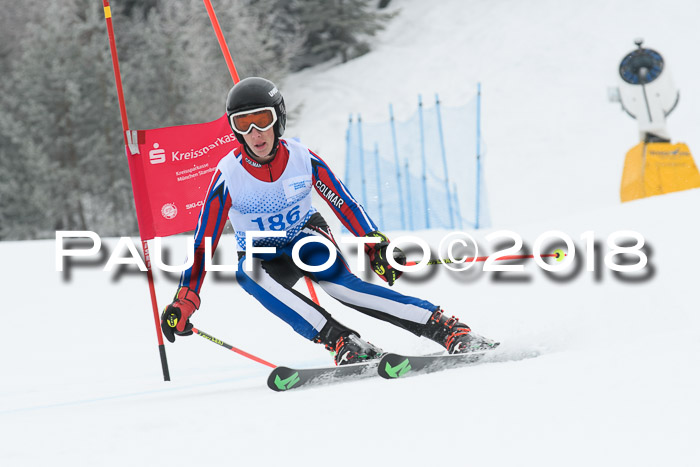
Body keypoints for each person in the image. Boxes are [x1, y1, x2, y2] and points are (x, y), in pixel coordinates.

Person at [160, 77, 497, 365]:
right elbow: (203, 240)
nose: (255, 133)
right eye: (243, 124)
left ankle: (446, 328)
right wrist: (186, 297)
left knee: (341, 288)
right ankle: (342, 341)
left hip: (306, 236)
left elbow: (344, 203)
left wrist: (373, 243)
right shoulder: (228, 175)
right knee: (247, 274)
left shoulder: (302, 159)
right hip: (261, 252)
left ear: (279, 119)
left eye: (262, 120)